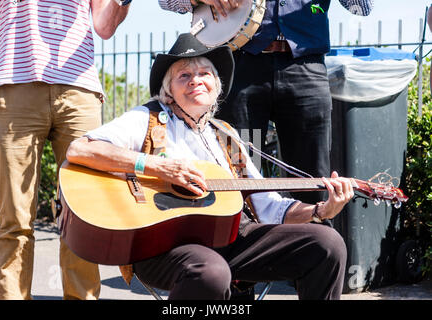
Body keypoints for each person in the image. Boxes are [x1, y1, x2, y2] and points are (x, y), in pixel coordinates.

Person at [65, 33, 355, 300]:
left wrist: (320, 211)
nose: (196, 80)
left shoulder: (227, 136)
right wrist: (157, 167)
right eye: (184, 75)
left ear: (216, 86)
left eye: (204, 74)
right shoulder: (146, 118)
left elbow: (270, 208)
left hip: (230, 237)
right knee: (212, 272)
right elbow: (81, 149)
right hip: (162, 243)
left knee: (326, 243)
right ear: (169, 90)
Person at [158, 0, 373, 206]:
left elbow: (363, 7)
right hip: (240, 69)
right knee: (237, 178)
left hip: (305, 68)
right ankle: (240, 240)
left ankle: (316, 238)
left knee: (313, 181)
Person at [0, 0, 131, 300]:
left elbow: (104, 26)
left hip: (79, 89)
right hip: (15, 85)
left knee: (83, 214)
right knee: (14, 217)